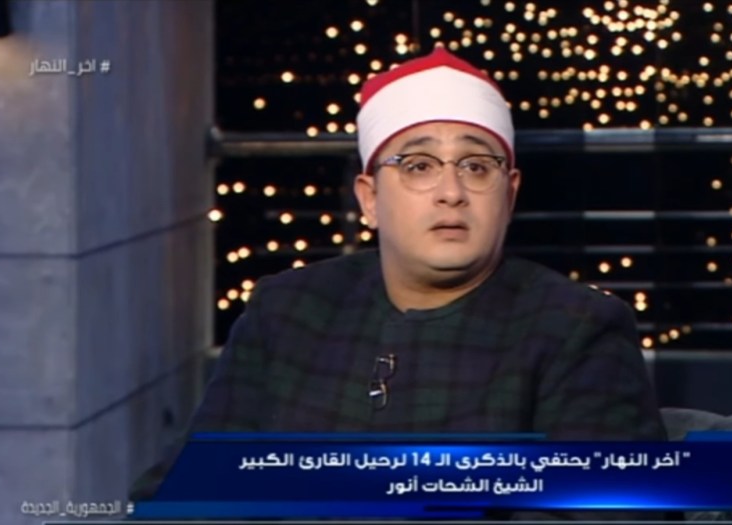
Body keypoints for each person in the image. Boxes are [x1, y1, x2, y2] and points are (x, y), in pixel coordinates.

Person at [131, 46, 671, 520]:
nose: (451, 192)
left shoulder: (576, 330)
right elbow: (185, 495)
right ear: (369, 198)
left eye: (476, 167)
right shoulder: (287, 310)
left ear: (508, 194)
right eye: (418, 166)